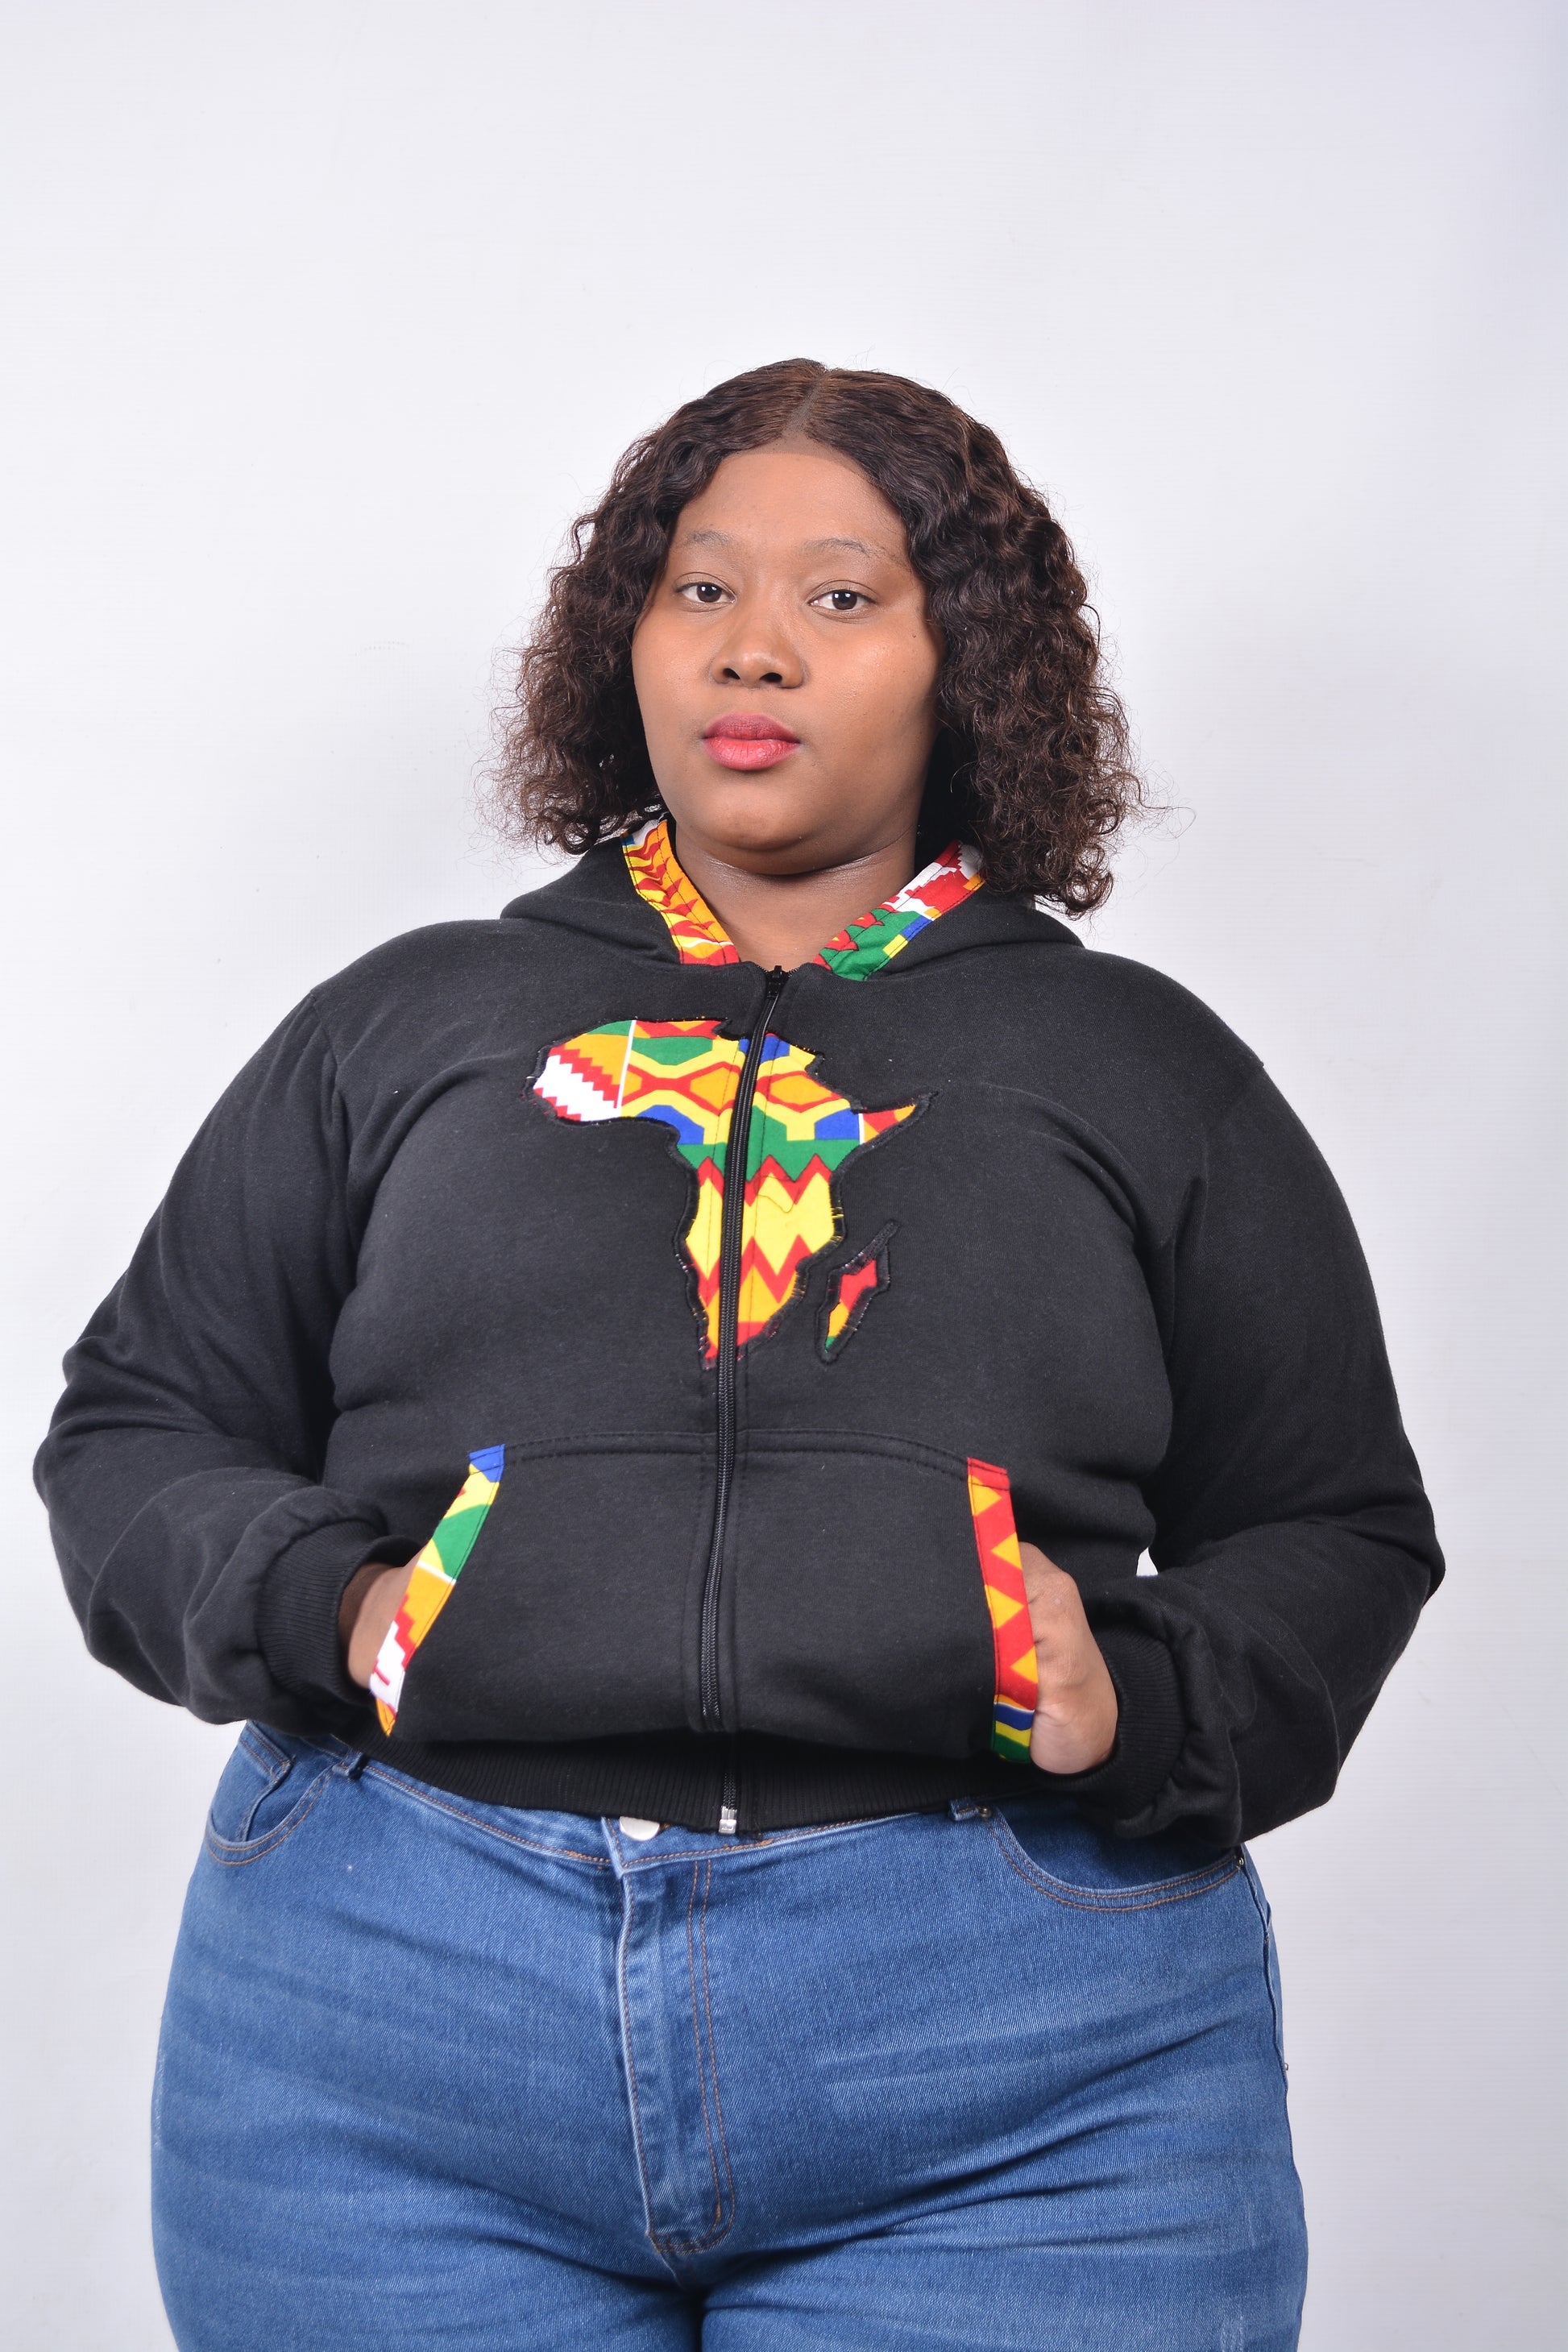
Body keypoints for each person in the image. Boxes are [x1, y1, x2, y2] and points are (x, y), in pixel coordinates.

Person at [36, 359, 1442, 2351]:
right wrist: (336, 1605)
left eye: (840, 596)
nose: (750, 647)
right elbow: (138, 1423)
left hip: (1017, 2061)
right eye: (698, 588)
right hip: (392, 2034)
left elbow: (1334, 1522)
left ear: (966, 665)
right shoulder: (407, 1021)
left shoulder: (1142, 1065)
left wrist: (1130, 1694)